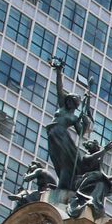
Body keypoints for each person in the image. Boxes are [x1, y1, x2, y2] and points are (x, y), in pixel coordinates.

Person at [44, 57, 91, 190]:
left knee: (64, 162)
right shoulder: (62, 107)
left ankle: (64, 184)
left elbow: (81, 133)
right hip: (53, 134)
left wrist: (86, 123)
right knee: (56, 159)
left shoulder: (73, 118)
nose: (69, 101)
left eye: (72, 101)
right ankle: (63, 182)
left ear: (75, 105)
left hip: (61, 135)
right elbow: (59, 88)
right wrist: (59, 72)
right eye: (69, 99)